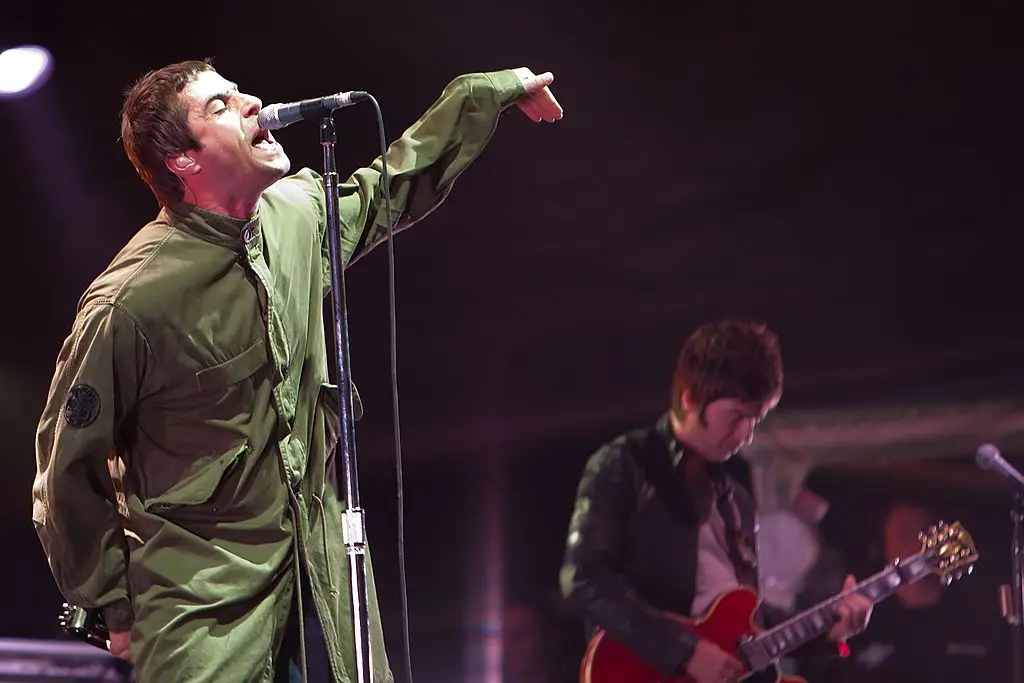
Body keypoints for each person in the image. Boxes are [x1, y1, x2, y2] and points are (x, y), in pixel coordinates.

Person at [31, 58, 563, 683]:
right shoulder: (132, 302)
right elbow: (65, 466)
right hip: (206, 612)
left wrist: (486, 94)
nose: (253, 102)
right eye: (221, 106)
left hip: (326, 586)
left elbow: (393, 183)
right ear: (183, 160)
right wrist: (109, 601)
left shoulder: (297, 213)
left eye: (238, 90)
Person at [559, 319, 873, 683]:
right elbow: (585, 579)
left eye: (755, 419)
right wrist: (684, 651)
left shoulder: (735, 500)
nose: (746, 434)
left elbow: (748, 620)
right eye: (737, 416)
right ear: (690, 397)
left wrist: (828, 632)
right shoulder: (624, 464)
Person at [806, 499, 1009, 683]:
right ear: (885, 544)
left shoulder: (975, 619)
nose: (915, 545)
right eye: (904, 533)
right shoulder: (861, 623)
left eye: (924, 533)